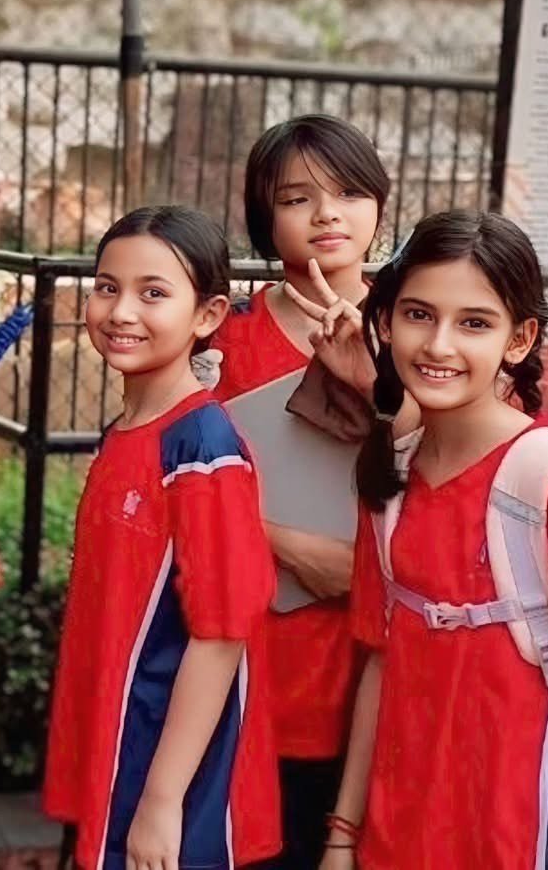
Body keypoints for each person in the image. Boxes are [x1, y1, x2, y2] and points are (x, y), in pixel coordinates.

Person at [322, 210, 548, 870]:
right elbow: (381, 661)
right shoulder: (390, 473)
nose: (438, 345)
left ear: (518, 339)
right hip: (395, 837)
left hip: (518, 840)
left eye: (473, 322)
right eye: (418, 314)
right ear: (385, 323)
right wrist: (342, 836)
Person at [43, 205, 280, 870]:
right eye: (107, 286)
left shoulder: (202, 447)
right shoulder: (125, 433)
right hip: (119, 746)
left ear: (207, 315)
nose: (121, 311)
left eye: (153, 293)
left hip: (169, 772)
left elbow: (221, 632)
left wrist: (162, 798)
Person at [206, 115, 390, 868]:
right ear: (263, 214)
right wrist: (288, 545)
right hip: (254, 650)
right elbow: (172, 480)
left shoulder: (422, 330)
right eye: (296, 198)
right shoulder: (224, 338)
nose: (326, 214)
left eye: (348, 192)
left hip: (386, 656)